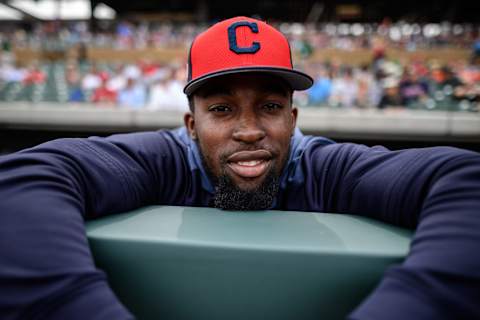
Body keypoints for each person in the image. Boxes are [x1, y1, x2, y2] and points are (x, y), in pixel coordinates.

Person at [0, 16, 479, 320]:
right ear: (191, 124)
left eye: (269, 106)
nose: (249, 130)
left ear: (293, 120)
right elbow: (25, 179)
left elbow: (464, 181)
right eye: (223, 109)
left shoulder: (324, 165)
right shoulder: (162, 158)